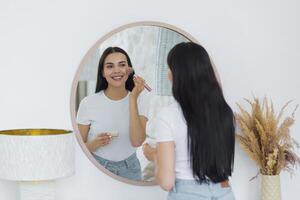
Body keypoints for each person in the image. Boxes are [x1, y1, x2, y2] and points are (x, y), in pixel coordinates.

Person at [143, 42, 235, 199]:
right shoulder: (225, 112)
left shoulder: (168, 115)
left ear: (176, 74)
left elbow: (166, 182)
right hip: (224, 192)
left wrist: (154, 155)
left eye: (170, 67)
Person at [77, 47, 148, 181]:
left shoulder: (140, 99)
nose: (117, 70)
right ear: (103, 73)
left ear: (129, 70)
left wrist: (133, 98)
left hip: (130, 169)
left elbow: (137, 140)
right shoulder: (88, 103)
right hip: (97, 167)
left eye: (122, 65)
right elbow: (78, 150)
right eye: (110, 66)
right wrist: (93, 145)